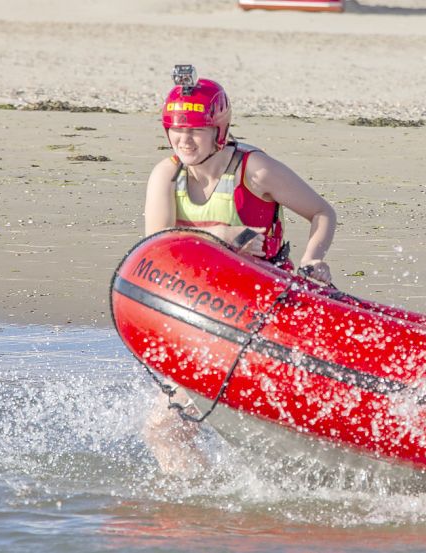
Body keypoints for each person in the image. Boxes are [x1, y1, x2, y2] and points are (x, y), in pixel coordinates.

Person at [142, 65, 337, 474]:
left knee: (186, 428)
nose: (184, 139)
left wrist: (312, 258)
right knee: (164, 430)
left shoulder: (256, 169)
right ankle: (197, 511)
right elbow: (157, 248)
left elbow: (322, 213)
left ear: (220, 130)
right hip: (207, 314)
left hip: (265, 311)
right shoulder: (166, 174)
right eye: (176, 129)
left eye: (195, 129)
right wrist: (218, 234)